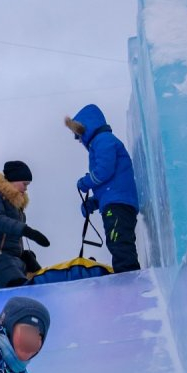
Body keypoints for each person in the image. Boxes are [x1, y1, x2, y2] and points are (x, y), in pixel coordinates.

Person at [64, 104, 141, 273]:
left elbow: (105, 171)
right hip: (116, 201)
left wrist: (86, 182)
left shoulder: (104, 140)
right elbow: (109, 185)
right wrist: (93, 203)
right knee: (117, 242)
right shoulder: (100, 143)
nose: (78, 140)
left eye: (77, 135)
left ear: (85, 128)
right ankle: (127, 277)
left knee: (119, 243)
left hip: (118, 204)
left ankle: (128, 280)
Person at [0, 160, 50, 288]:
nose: (26, 188)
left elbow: (11, 238)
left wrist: (24, 256)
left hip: (14, 259)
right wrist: (28, 231)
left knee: (40, 285)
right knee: (19, 289)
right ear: (14, 180)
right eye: (25, 183)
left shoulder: (16, 205)